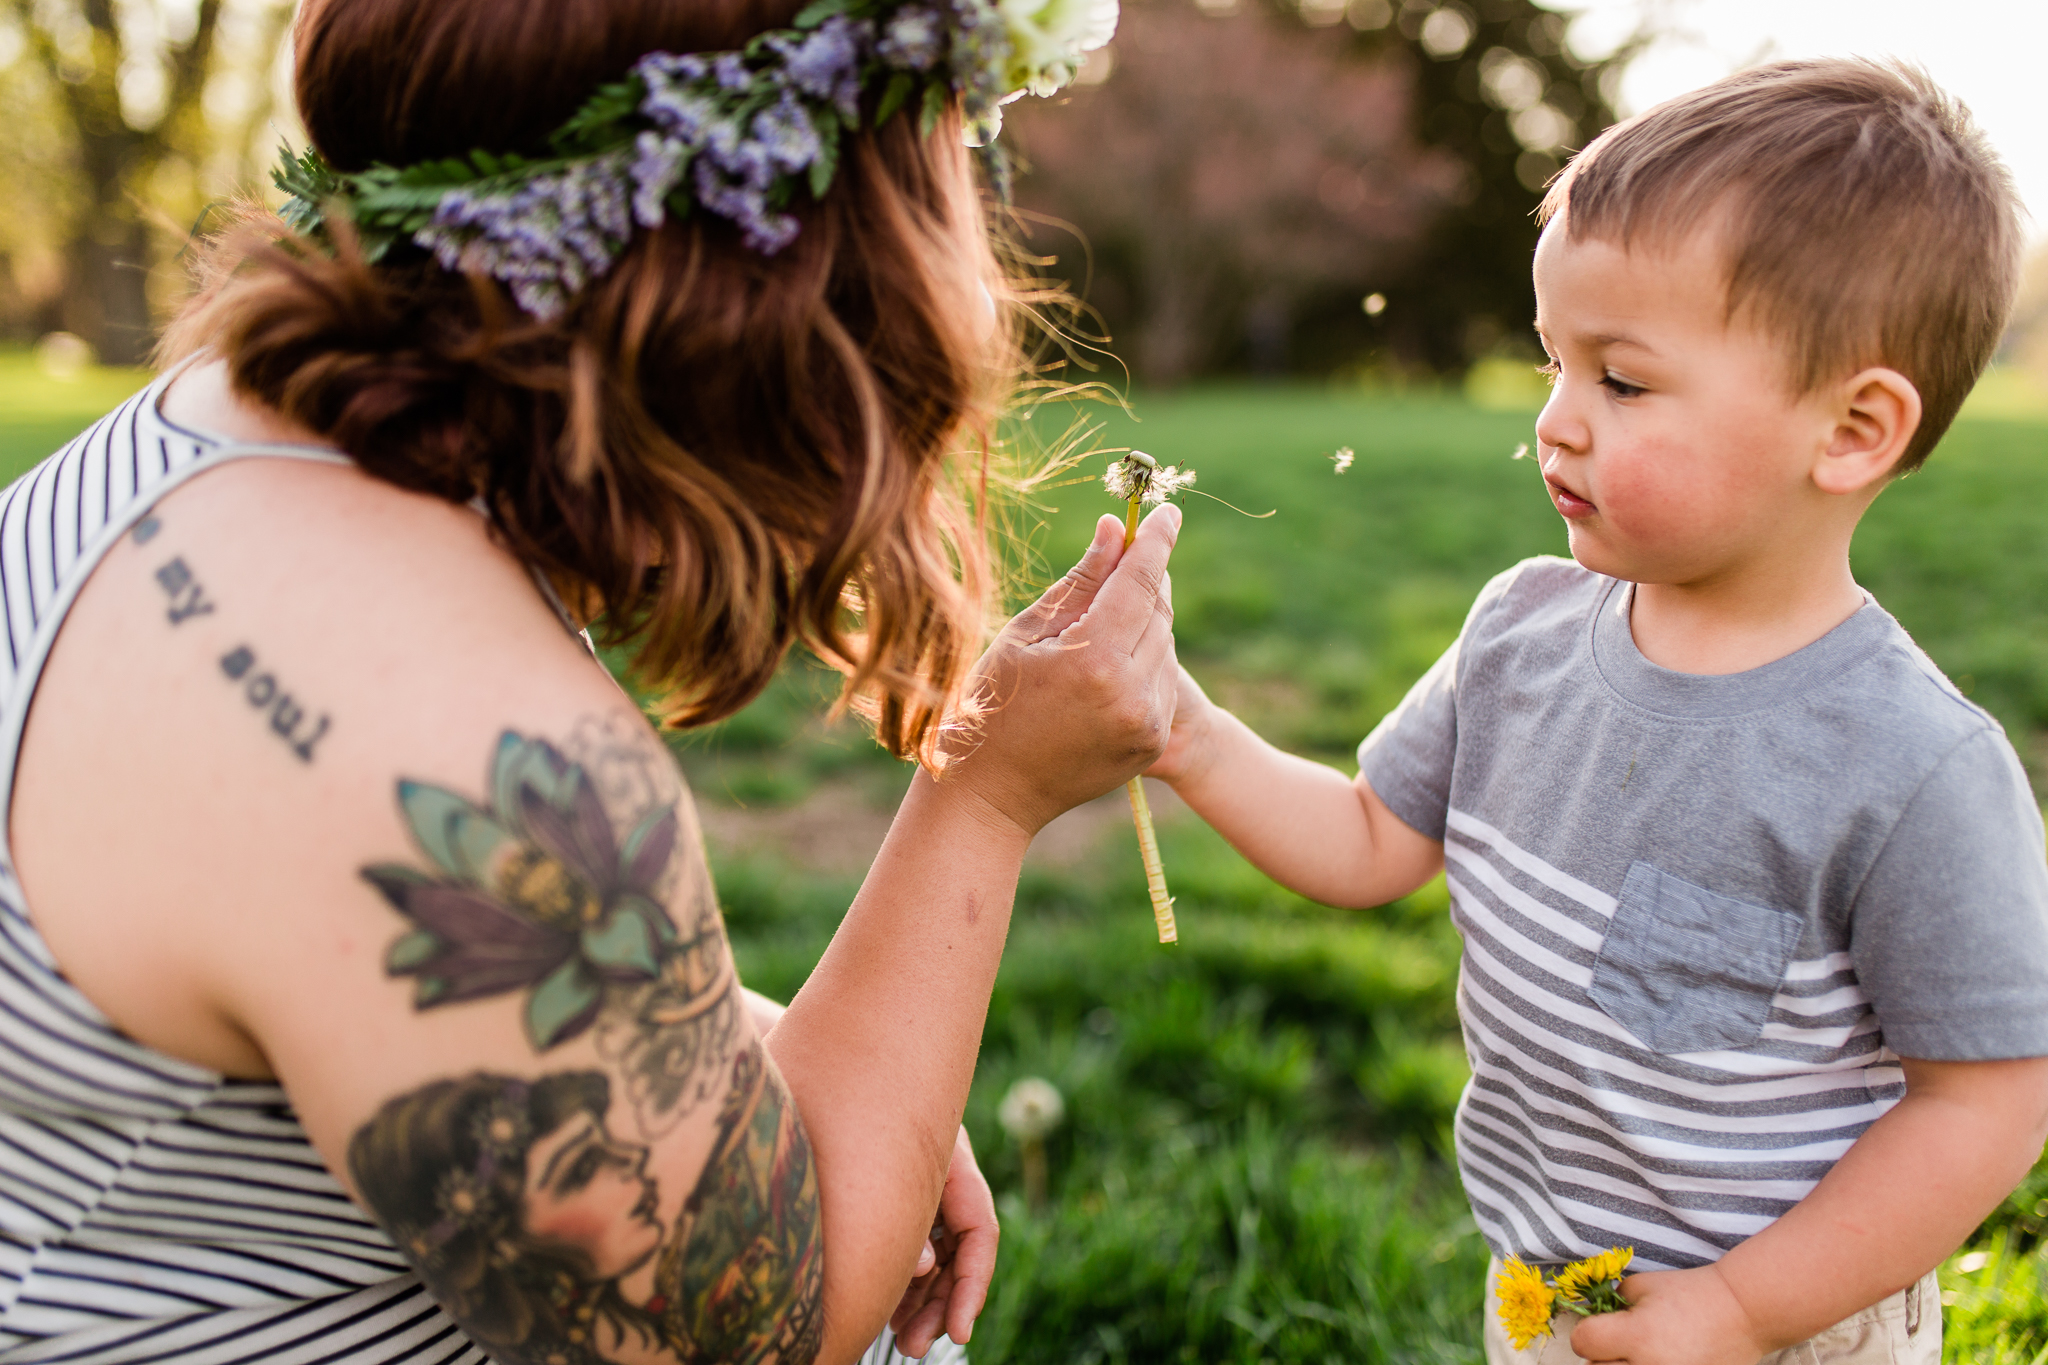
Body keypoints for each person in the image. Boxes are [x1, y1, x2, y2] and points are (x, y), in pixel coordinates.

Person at [0, 1, 1181, 1363]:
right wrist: (987, 790)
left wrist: (781, 1070)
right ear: (790, 251)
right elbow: (766, 1338)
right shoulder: (450, 747)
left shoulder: (221, 418)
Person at [1144, 58, 2048, 1365]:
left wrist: (1744, 1308)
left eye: (1621, 382)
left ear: (1852, 428)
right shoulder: (1518, 632)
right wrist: (1181, 727)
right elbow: (1363, 840)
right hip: (1549, 1291)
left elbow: (1987, 1102)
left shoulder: (1910, 767)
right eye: (1551, 362)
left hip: (1788, 1327)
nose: (1555, 423)